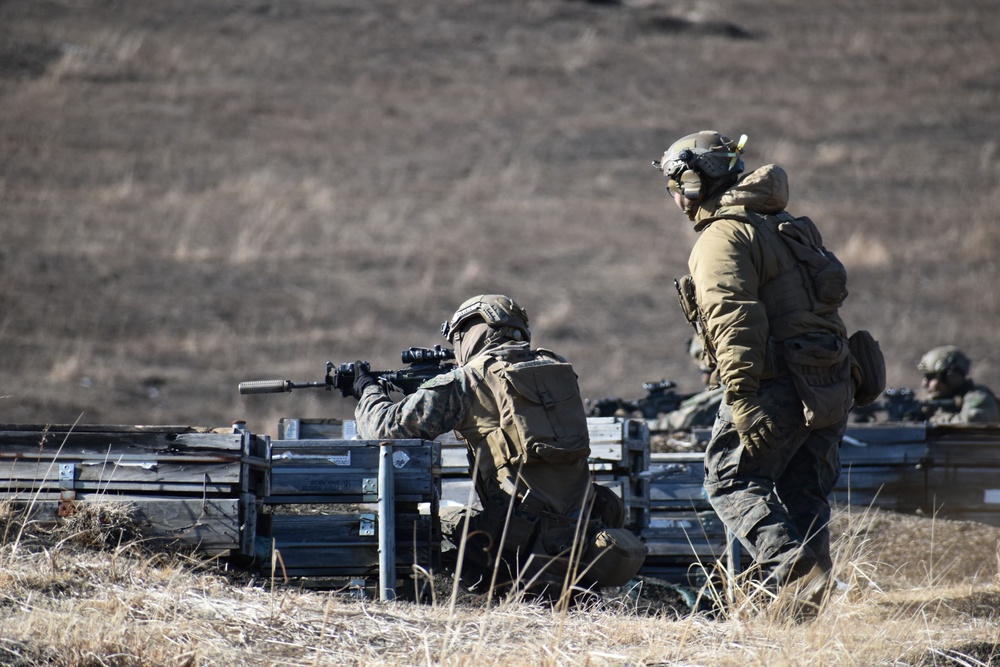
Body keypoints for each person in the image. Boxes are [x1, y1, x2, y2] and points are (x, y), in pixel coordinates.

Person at [653, 131, 858, 616]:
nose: (676, 199)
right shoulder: (781, 223)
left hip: (776, 385)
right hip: (827, 382)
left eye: (675, 186)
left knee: (729, 481)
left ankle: (798, 572)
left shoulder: (722, 237)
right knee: (803, 491)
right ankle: (806, 614)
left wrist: (743, 400)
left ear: (695, 181)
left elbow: (734, 319)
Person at [351, 294, 646, 600]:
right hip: (580, 535)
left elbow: (383, 427)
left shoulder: (469, 379)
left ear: (470, 333)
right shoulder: (557, 370)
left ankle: (425, 600)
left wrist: (367, 389)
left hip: (513, 543)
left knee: (425, 520)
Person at [654, 337, 724, 433]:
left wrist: (644, 424)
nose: (697, 363)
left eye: (700, 356)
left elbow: (685, 420)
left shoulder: (726, 390)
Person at [917, 345, 999, 424]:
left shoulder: (978, 397)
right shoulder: (933, 404)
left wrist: (934, 420)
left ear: (950, 377)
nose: (924, 384)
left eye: (930, 377)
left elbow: (970, 422)